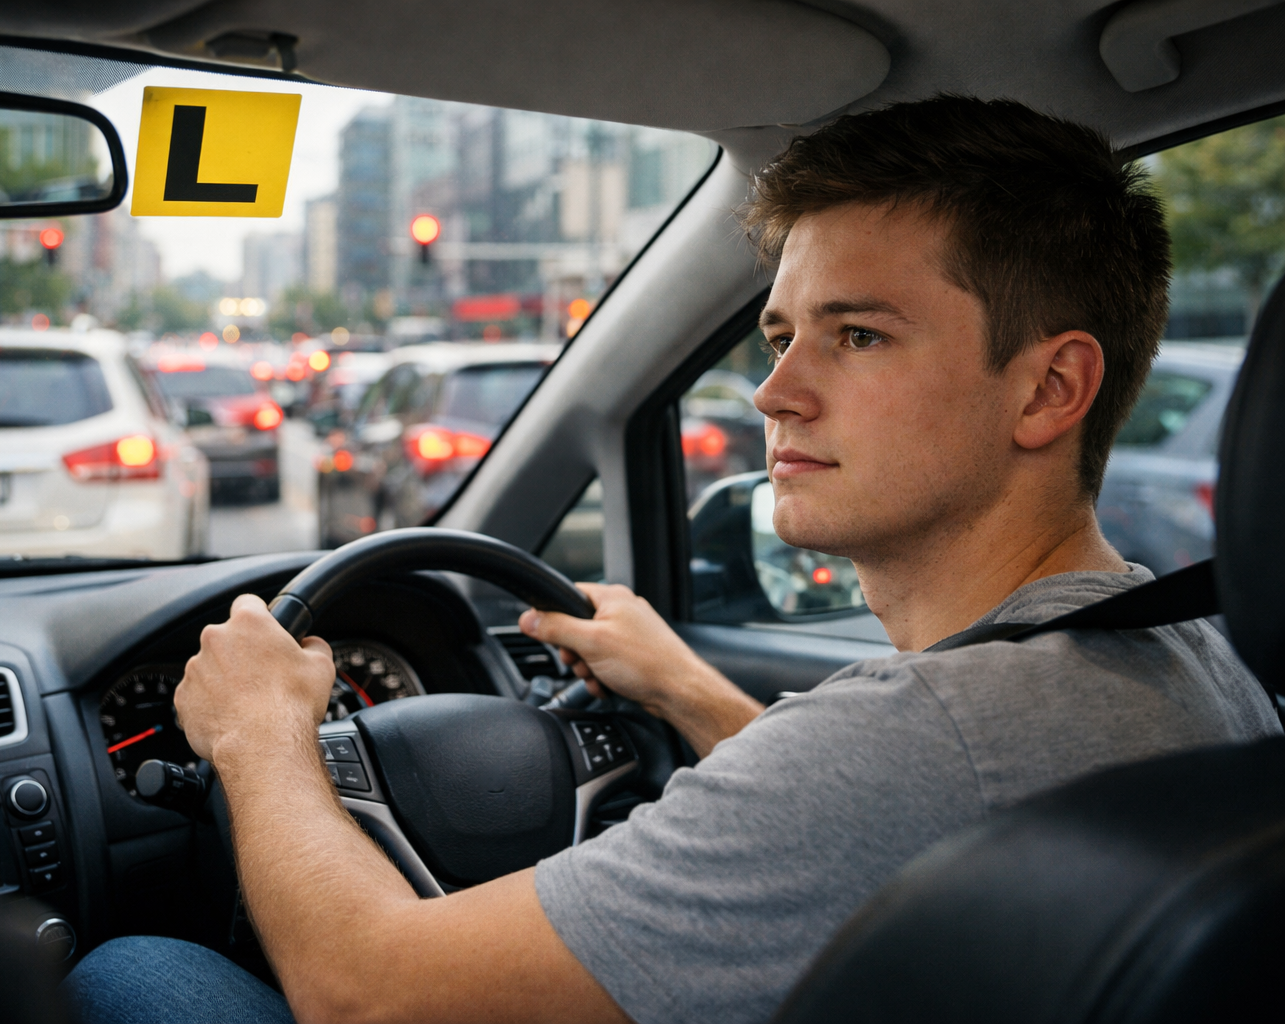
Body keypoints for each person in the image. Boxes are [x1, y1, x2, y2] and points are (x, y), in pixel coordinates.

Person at [64, 95, 1281, 1024]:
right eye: (781, 332)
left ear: (1051, 387)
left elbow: (364, 989)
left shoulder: (908, 739)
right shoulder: (1182, 652)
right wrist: (689, 689)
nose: (777, 389)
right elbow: (895, 823)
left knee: (138, 970)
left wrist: (261, 736)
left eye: (858, 334)